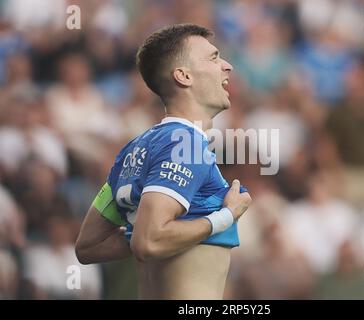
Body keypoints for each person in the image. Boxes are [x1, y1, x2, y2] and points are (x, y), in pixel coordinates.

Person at [75, 24, 252, 299]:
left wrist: (145, 228)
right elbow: (149, 241)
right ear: (183, 76)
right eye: (214, 58)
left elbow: (88, 245)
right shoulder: (184, 143)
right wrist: (225, 217)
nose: (227, 66)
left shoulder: (134, 150)